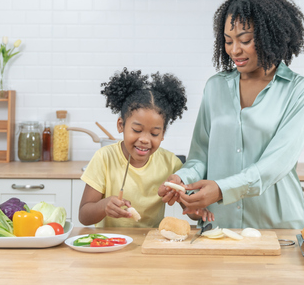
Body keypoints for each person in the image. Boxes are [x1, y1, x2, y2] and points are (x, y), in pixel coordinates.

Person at [159, 0, 304, 229]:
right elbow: (200, 155)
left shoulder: (299, 91)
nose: (234, 50)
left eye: (245, 40)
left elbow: (275, 164)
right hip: (219, 226)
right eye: (228, 41)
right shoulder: (215, 87)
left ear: (270, 36)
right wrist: (183, 179)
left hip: (276, 228)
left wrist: (221, 190)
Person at [79, 68, 213, 227]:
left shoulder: (171, 163)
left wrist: (198, 210)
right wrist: (103, 206)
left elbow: (190, 210)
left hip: (150, 244)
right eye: (136, 130)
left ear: (163, 134)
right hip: (110, 244)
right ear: (121, 125)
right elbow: (84, 216)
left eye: (155, 133)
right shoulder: (104, 158)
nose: (144, 140)